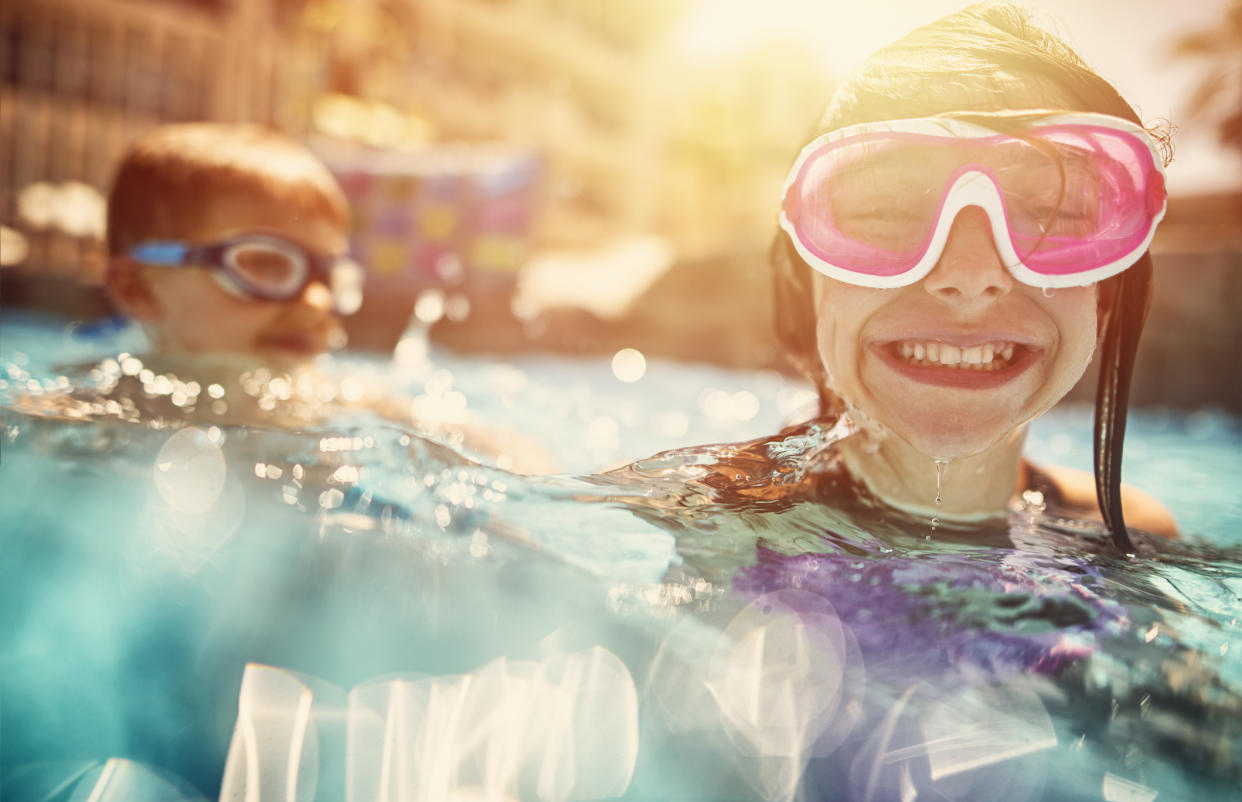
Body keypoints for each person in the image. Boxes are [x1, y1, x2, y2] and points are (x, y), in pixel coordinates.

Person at [618, 1, 1177, 550]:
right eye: (885, 210)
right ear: (806, 284)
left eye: (1053, 213)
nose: (970, 274)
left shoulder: (1128, 531)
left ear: (1106, 298)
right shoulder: (695, 517)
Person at [14, 122, 551, 472]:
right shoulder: (99, 400)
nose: (315, 303)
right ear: (139, 289)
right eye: (267, 264)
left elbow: (504, 453)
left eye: (328, 275)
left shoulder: (343, 397)